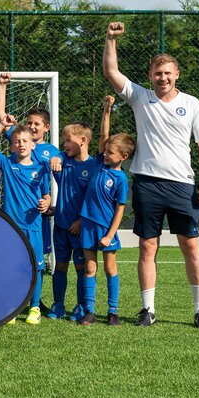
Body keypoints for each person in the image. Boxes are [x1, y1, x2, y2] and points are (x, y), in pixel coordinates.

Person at [103, 21, 199, 329]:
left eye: (167, 73)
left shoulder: (191, 103)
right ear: (150, 75)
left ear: (176, 74)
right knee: (147, 247)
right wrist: (110, 39)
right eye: (157, 73)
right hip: (147, 184)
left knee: (191, 246)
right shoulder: (141, 98)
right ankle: (147, 310)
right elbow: (111, 72)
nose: (162, 78)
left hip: (182, 186)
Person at [0, 115, 51, 325]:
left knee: (36, 267)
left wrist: (46, 202)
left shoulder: (41, 168)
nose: (21, 144)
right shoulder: (7, 163)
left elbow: (46, 195)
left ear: (33, 144)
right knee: (11, 266)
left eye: (25, 141)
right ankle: (12, 307)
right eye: (17, 141)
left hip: (34, 226)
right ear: (11, 146)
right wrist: (2, 125)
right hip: (11, 227)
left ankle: (35, 307)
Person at [77, 96, 134, 326]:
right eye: (106, 151)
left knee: (110, 269)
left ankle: (113, 312)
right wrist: (107, 110)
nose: (106, 154)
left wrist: (110, 235)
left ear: (123, 157)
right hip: (88, 225)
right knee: (90, 267)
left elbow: (120, 210)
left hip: (106, 229)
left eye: (111, 152)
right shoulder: (100, 164)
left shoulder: (121, 179)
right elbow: (103, 135)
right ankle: (89, 311)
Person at [46, 121, 97, 321]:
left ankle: (81, 306)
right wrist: (56, 157)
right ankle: (58, 305)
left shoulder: (93, 166)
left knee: (81, 268)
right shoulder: (63, 161)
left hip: (80, 228)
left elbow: (93, 200)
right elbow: (55, 157)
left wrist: (81, 221)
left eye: (68, 140)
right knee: (60, 266)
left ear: (83, 140)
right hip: (60, 225)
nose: (65, 144)